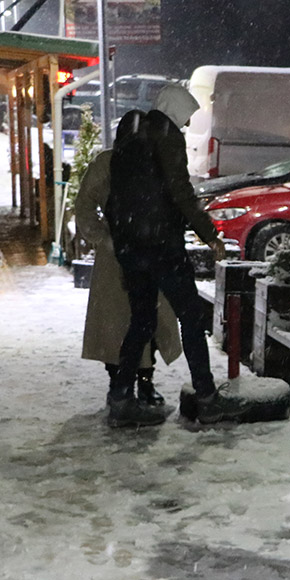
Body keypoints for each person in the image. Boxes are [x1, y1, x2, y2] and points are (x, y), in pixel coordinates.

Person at [102, 87, 240, 427]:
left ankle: (120, 396)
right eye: (187, 114)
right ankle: (207, 397)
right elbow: (180, 192)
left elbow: (115, 198)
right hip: (162, 246)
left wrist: (124, 245)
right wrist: (209, 234)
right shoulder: (167, 138)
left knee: (142, 320)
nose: (189, 121)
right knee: (191, 318)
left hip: (133, 246)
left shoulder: (131, 138)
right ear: (175, 110)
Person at [73, 134, 183, 419]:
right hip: (117, 258)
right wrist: (102, 237)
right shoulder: (107, 164)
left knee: (149, 321)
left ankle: (142, 383)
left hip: (148, 253)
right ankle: (120, 385)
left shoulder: (152, 163)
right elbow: (84, 204)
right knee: (119, 324)